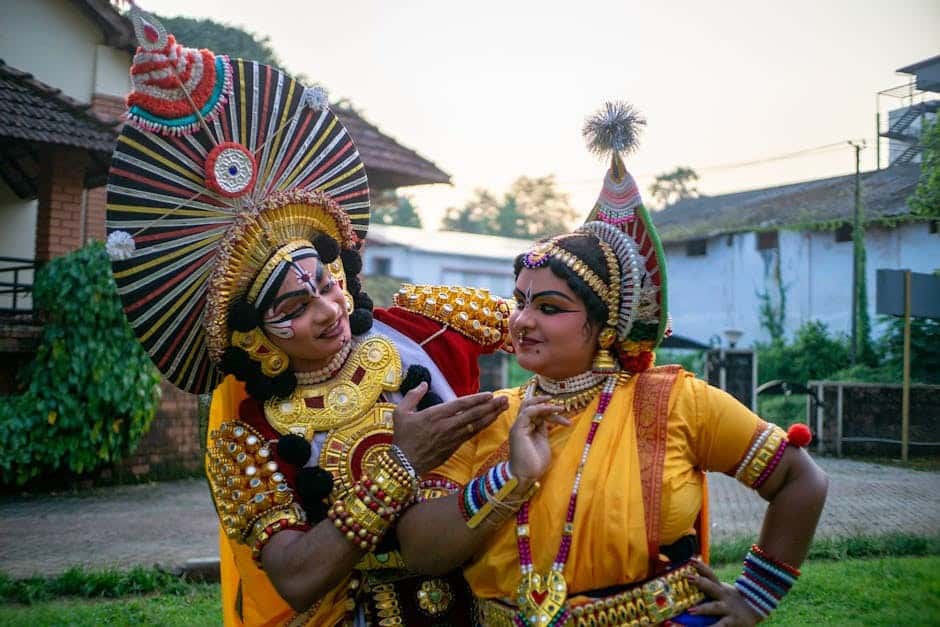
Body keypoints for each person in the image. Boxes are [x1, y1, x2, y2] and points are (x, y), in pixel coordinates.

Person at [106, 7, 513, 625]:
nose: (328, 312)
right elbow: (296, 578)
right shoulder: (245, 436)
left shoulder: (429, 324)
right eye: (294, 308)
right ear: (256, 338)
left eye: (326, 285)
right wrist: (396, 468)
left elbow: (559, 332)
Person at [397, 102, 829, 626]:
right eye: (521, 301)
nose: (524, 320)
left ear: (605, 326)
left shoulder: (673, 401)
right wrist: (512, 476)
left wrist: (757, 596)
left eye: (550, 308)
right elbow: (421, 552)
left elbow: (799, 480)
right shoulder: (488, 418)